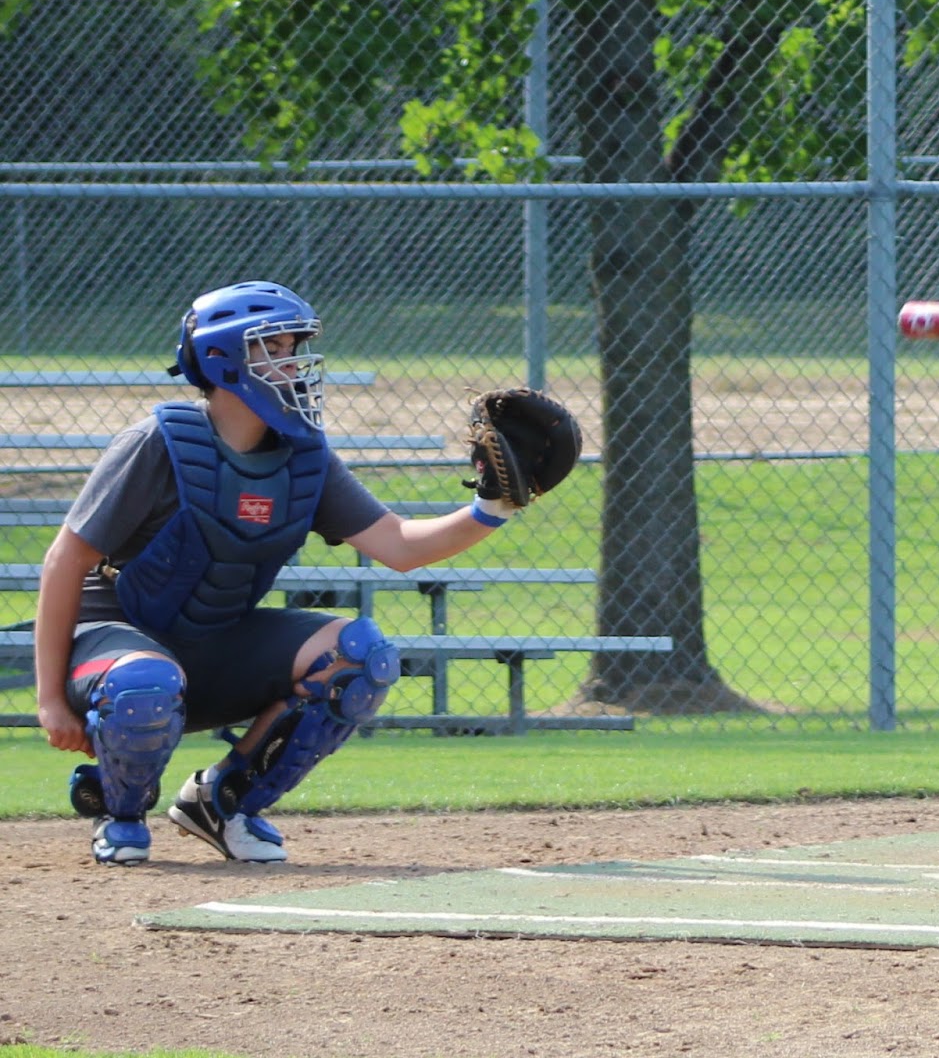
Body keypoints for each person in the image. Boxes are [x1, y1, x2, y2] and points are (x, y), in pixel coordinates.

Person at [34, 280, 562, 866]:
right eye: (276, 349)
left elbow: (401, 546)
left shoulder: (302, 455)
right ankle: (120, 808)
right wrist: (51, 699)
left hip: (214, 646)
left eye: (294, 348)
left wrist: (493, 507)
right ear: (223, 359)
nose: (294, 364)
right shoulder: (157, 443)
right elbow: (66, 560)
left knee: (361, 655)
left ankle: (224, 800)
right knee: (145, 685)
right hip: (116, 641)